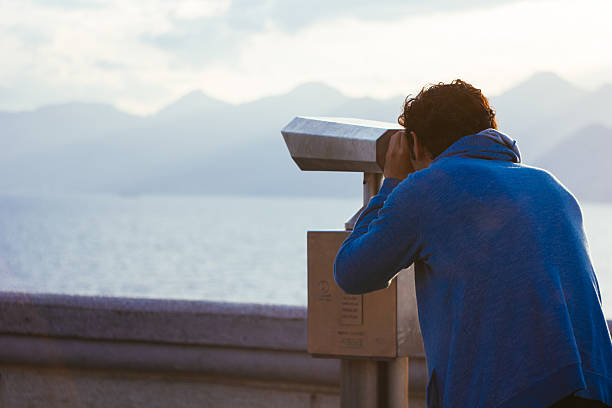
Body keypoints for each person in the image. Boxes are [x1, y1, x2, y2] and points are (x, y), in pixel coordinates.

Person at [333, 79, 612, 408]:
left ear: (416, 145)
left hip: (510, 393)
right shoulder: (551, 186)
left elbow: (351, 272)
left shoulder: (427, 188)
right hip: (595, 388)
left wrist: (392, 183)